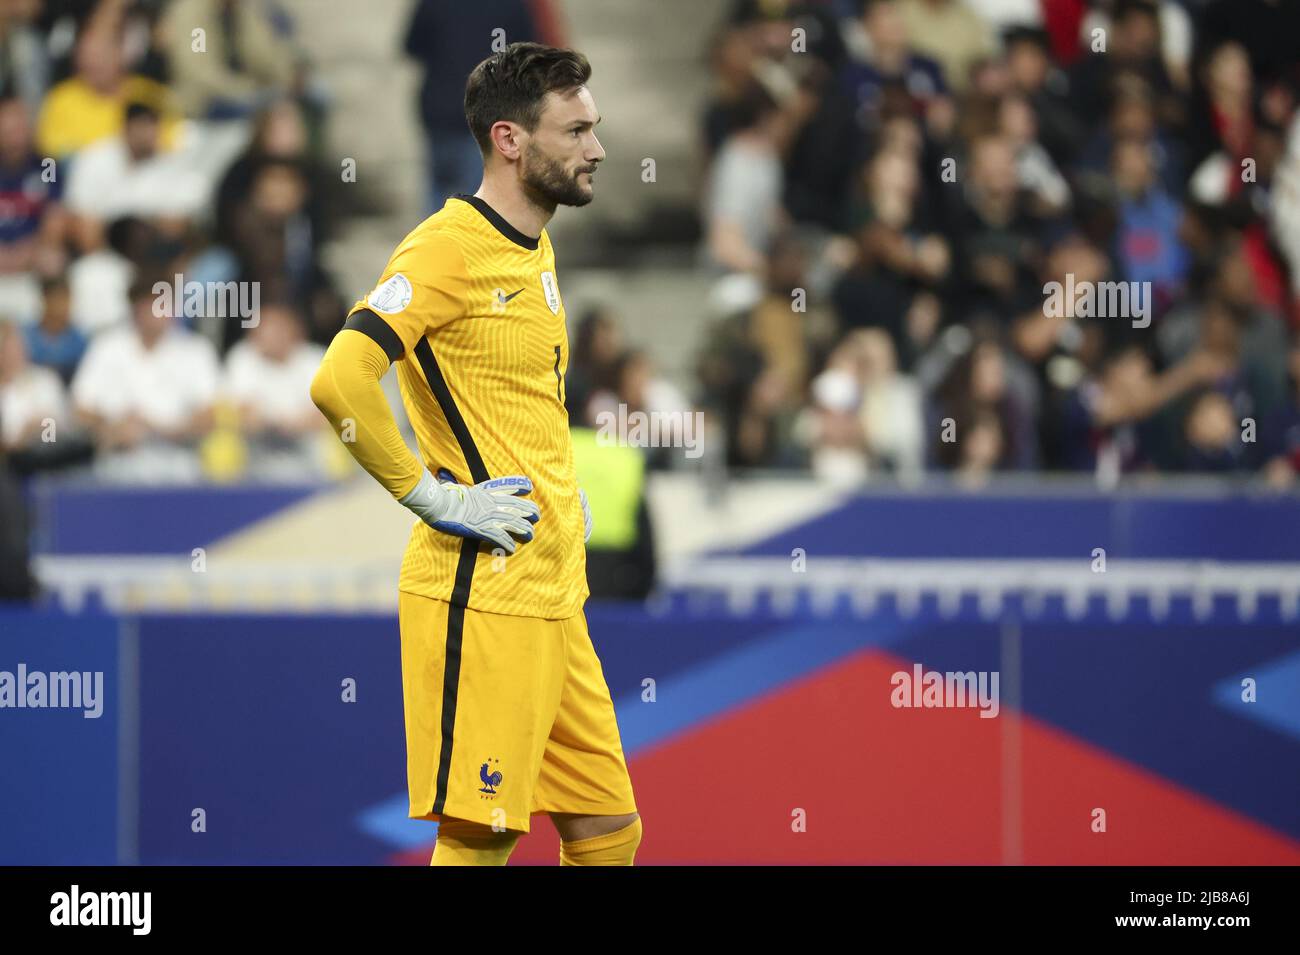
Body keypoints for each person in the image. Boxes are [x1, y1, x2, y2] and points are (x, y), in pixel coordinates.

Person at [311, 43, 640, 866]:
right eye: (575, 131)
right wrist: (431, 496)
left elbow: (510, 396)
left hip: (556, 590)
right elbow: (340, 380)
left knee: (607, 829)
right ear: (510, 140)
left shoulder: (536, 245)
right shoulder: (447, 248)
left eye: (594, 128)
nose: (596, 148)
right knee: (482, 834)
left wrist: (562, 487)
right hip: (481, 590)